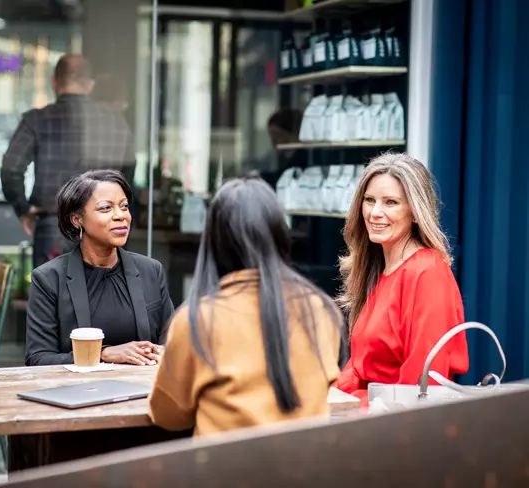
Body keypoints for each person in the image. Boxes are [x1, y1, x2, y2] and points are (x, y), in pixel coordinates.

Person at [148, 177, 343, 436]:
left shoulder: (198, 319)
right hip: (304, 471)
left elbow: (168, 415)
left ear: (214, 241)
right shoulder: (319, 309)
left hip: (224, 472)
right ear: (279, 235)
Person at [334, 152, 469, 404]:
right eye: (369, 200)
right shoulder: (378, 269)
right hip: (367, 418)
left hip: (396, 427)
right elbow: (361, 366)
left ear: (416, 212)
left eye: (391, 202)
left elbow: (423, 384)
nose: (375, 212)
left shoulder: (427, 272)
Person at [25, 170, 174, 366]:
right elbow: (38, 358)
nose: (120, 216)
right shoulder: (49, 279)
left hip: (141, 389)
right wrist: (103, 354)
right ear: (77, 219)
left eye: (124, 207)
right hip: (77, 392)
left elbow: (172, 344)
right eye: (106, 208)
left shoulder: (151, 271)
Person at [1, 54, 136, 268]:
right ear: (91, 85)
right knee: (104, 299)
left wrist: (23, 208)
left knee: (54, 298)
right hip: (105, 226)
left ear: (54, 82)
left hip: (55, 224)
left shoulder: (36, 120)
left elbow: (11, 169)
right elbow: (127, 175)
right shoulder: (116, 123)